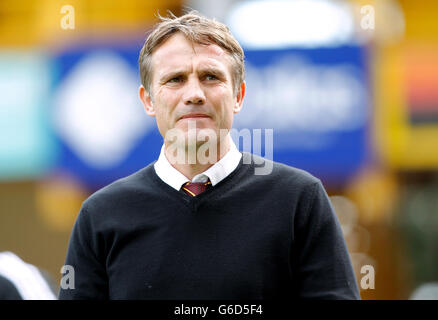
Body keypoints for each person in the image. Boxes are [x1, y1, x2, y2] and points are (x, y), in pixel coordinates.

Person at [59, 11, 360, 300]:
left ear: (239, 95)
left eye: (210, 77)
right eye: (175, 79)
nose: (194, 94)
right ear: (148, 100)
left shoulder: (299, 201)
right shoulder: (100, 216)